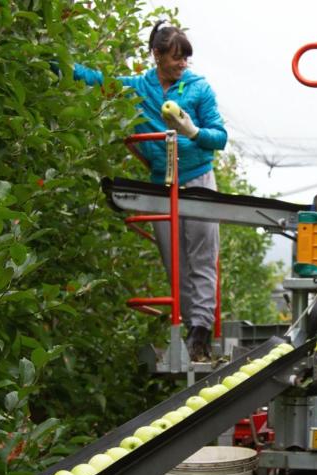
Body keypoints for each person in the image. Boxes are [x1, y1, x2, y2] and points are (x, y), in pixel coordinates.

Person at [71, 22, 227, 361]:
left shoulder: (198, 89)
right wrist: (56, 63)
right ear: (156, 55)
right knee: (175, 264)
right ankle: (190, 326)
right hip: (163, 184)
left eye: (186, 58)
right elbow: (96, 80)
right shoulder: (138, 89)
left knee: (202, 257)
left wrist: (193, 130)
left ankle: (200, 330)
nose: (182, 64)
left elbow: (220, 137)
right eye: (175, 57)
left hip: (198, 178)